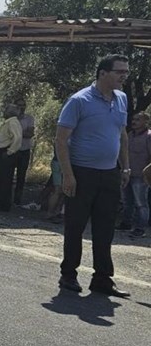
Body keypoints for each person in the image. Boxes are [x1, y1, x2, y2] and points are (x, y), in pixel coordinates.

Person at [55, 54, 132, 297]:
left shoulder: (121, 99)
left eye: (126, 72)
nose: (124, 76)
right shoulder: (79, 100)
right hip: (82, 172)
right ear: (102, 73)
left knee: (105, 227)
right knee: (75, 226)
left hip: (109, 173)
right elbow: (61, 139)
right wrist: (68, 175)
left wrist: (125, 166)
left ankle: (102, 278)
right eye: (120, 72)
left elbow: (122, 135)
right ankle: (68, 274)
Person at [122, 112, 151, 237]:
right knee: (127, 201)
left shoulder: (149, 136)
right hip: (128, 173)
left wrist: (147, 173)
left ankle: (140, 228)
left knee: (141, 203)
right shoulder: (130, 135)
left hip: (141, 175)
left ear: (146, 122)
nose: (134, 122)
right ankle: (126, 223)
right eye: (133, 119)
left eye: (138, 120)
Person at [0, 103, 24, 211]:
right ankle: (1, 202)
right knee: (1, 178)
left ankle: (4, 204)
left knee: (5, 179)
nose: (4, 112)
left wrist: (9, 152)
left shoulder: (13, 123)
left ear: (9, 112)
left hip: (6, 152)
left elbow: (18, 139)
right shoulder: (9, 122)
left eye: (6, 110)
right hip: (2, 151)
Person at [14, 99, 36, 205]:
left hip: (24, 150)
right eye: (19, 105)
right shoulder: (12, 119)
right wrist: (23, 132)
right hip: (12, 150)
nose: (21, 107)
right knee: (8, 176)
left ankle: (17, 198)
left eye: (23, 105)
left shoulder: (29, 118)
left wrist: (16, 133)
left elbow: (30, 134)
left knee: (21, 176)